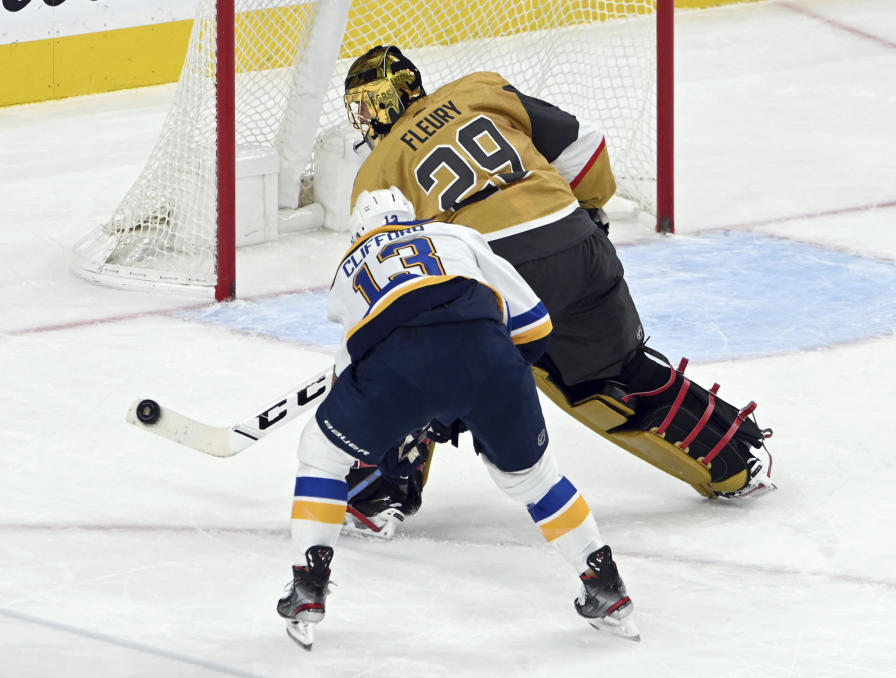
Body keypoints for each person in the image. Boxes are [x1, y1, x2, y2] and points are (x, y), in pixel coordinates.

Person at [337, 45, 775, 532]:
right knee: (615, 374)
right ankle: (735, 461)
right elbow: (585, 149)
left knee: (411, 361)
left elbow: (395, 279)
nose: (364, 116)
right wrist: (584, 212)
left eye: (366, 103)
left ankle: (377, 496)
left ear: (388, 99)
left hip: (502, 276)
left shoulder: (376, 173)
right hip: (580, 246)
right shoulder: (480, 88)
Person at [276, 187, 639, 649]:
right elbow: (535, 324)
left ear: (359, 231)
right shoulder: (456, 235)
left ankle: (309, 586)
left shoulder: (347, 272)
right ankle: (607, 586)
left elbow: (354, 365)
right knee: (534, 480)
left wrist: (415, 410)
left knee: (323, 455)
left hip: (398, 364)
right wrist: (481, 387)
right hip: (490, 355)